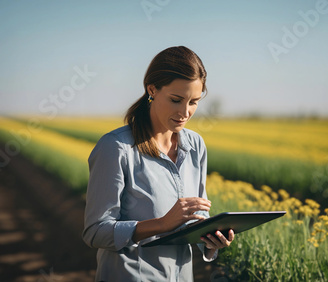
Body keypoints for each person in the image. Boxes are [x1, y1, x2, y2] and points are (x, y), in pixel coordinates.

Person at [82, 46, 235, 281]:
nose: (185, 112)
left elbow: (197, 218)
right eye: (176, 100)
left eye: (194, 102)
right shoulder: (116, 148)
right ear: (152, 89)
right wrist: (161, 224)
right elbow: (95, 232)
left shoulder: (196, 146)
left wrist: (211, 241)